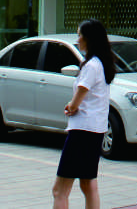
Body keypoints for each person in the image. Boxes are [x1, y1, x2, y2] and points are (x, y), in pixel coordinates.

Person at [52, 19, 116, 209]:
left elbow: (81, 91)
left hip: (82, 131)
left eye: (79, 35)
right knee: (88, 185)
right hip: (95, 130)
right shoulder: (101, 63)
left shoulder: (91, 66)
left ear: (89, 38)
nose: (77, 39)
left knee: (59, 190)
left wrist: (71, 106)